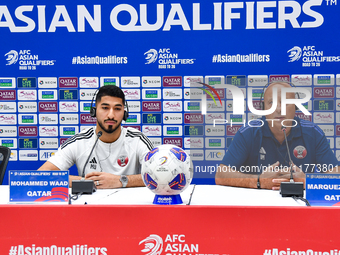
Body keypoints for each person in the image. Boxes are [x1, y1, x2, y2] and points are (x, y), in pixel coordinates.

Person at [215, 82, 339, 190]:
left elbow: (336, 177)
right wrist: (259, 181)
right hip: (257, 206)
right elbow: (221, 175)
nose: (279, 109)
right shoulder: (249, 132)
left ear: (296, 107)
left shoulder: (313, 133)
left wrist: (309, 182)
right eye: (271, 103)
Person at [38, 85, 153, 189]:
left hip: (129, 209)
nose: (111, 115)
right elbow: (41, 175)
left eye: (117, 109)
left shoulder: (138, 140)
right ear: (94, 111)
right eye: (105, 108)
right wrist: (87, 182)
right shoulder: (79, 141)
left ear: (124, 113)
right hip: (89, 208)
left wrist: (121, 180)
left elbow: (157, 176)